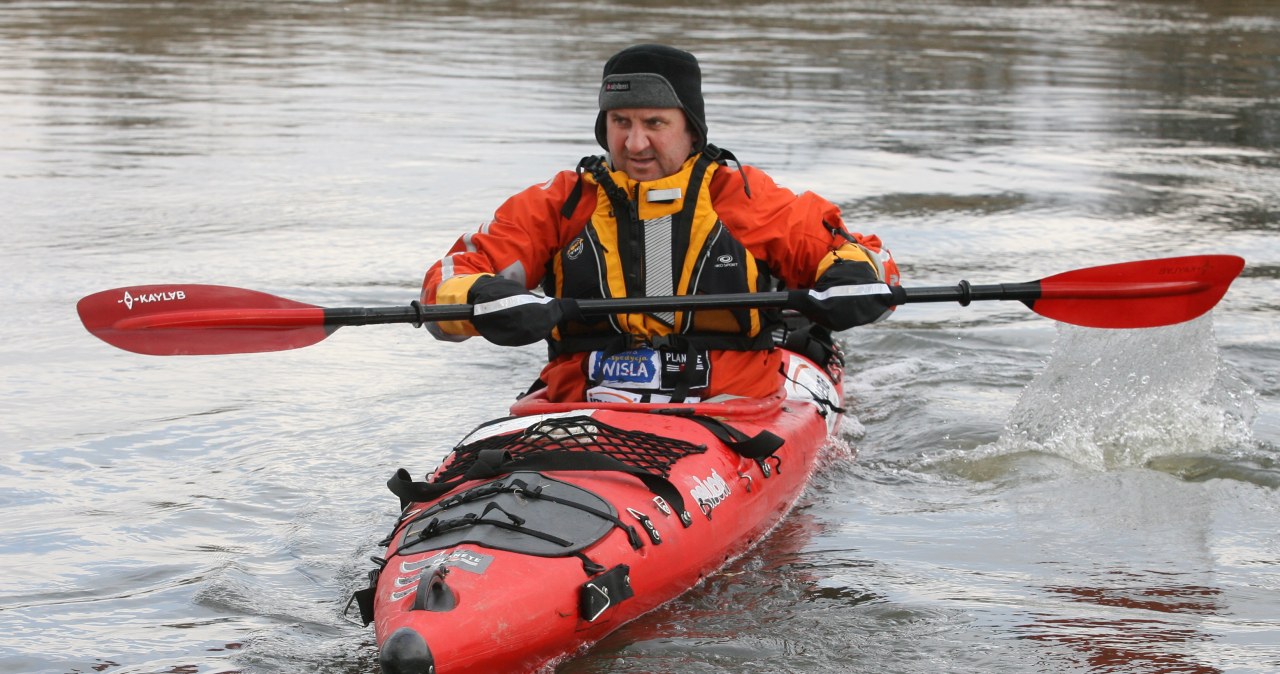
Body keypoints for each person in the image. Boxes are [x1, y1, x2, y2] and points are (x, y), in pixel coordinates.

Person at [421, 44, 901, 403]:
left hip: (731, 408)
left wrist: (855, 278)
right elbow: (450, 278)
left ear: (691, 128)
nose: (634, 144)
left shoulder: (744, 197)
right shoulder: (558, 203)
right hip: (585, 404)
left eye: (655, 123)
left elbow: (866, 255)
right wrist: (479, 298)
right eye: (620, 122)